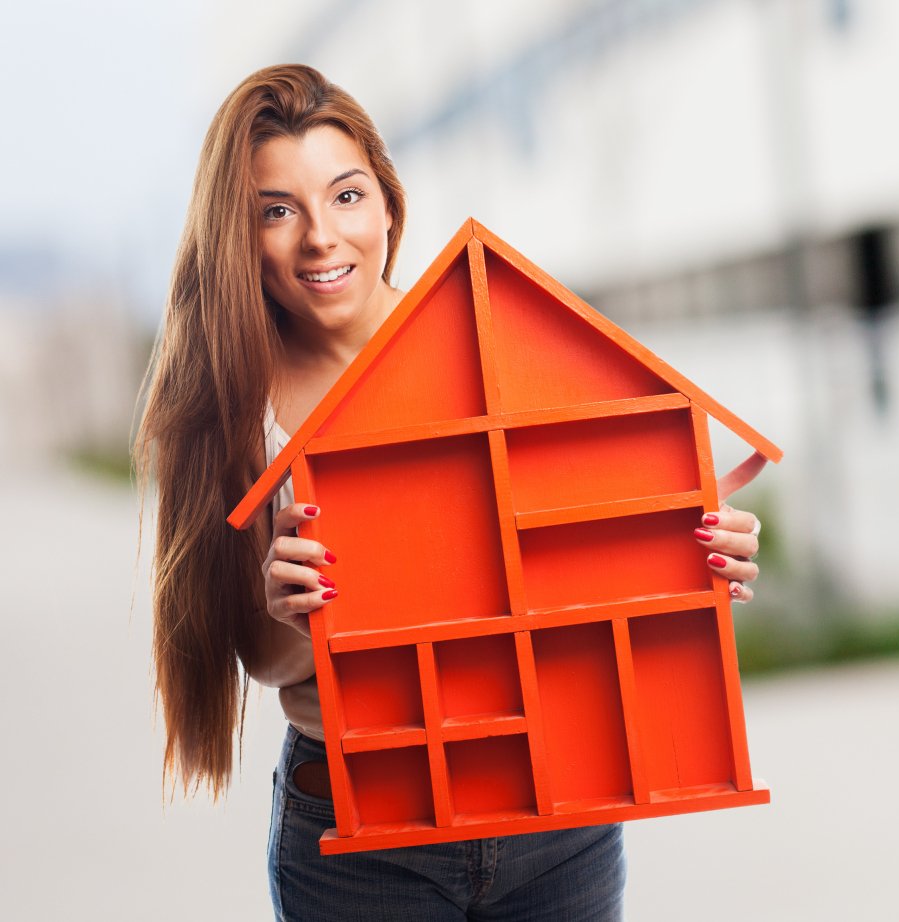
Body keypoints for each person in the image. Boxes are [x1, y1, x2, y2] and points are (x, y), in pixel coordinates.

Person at [135, 63, 764, 922]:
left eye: (347, 196)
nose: (322, 236)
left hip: (559, 822)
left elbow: (575, 571)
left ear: (388, 206)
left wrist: (690, 552)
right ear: (240, 239)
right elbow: (259, 659)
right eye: (277, 211)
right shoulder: (228, 408)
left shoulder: (493, 340)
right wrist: (287, 609)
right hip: (361, 837)